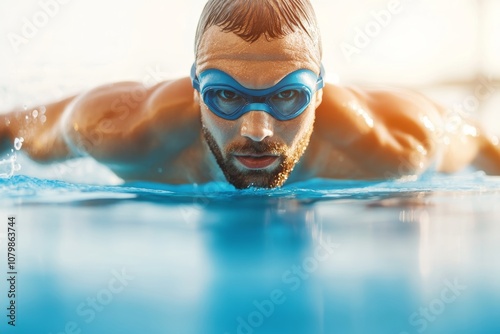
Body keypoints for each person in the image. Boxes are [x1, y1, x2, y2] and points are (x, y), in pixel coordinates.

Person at [1, 0, 499, 189]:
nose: (256, 130)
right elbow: (14, 128)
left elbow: (481, 146)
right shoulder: (116, 130)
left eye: (287, 98)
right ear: (196, 86)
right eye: (226, 97)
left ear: (320, 91)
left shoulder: (397, 144)